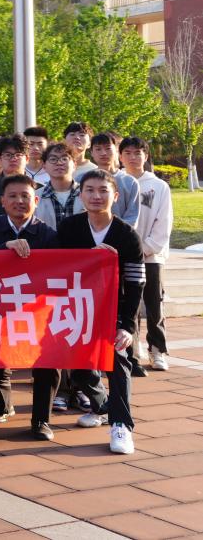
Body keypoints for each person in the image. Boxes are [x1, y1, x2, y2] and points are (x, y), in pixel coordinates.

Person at [51, 170, 145, 455]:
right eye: (89, 190)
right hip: (78, 308)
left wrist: (127, 326)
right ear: (80, 195)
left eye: (103, 190)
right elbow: (55, 268)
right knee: (80, 368)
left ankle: (121, 425)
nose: (96, 196)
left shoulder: (126, 235)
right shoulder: (70, 228)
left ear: (115, 196)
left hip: (115, 310)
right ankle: (102, 406)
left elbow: (136, 282)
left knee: (118, 362)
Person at [0, 174, 61, 440]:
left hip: (37, 311)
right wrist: (4, 248)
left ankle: (41, 420)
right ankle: (3, 404)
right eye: (12, 196)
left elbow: (60, 269)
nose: (19, 201)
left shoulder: (47, 234)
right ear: (2, 201)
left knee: (48, 362)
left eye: (25, 196)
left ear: (36, 201)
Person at [120, 137, 173, 373]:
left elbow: (164, 221)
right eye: (128, 153)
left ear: (146, 156)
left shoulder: (158, 186)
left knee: (154, 304)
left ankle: (157, 349)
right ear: (120, 156)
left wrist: (147, 248)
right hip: (124, 254)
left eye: (138, 152)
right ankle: (134, 346)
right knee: (129, 303)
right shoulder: (117, 182)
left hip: (151, 256)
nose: (133, 157)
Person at [90, 133, 140, 228]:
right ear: (91, 152)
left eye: (108, 148)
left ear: (117, 150)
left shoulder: (130, 182)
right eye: (98, 149)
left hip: (121, 235)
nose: (103, 153)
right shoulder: (82, 180)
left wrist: (112, 233)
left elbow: (132, 218)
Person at [34, 142, 80, 230]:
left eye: (64, 159)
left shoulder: (87, 193)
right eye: (53, 159)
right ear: (44, 166)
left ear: (74, 164)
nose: (59, 163)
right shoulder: (35, 197)